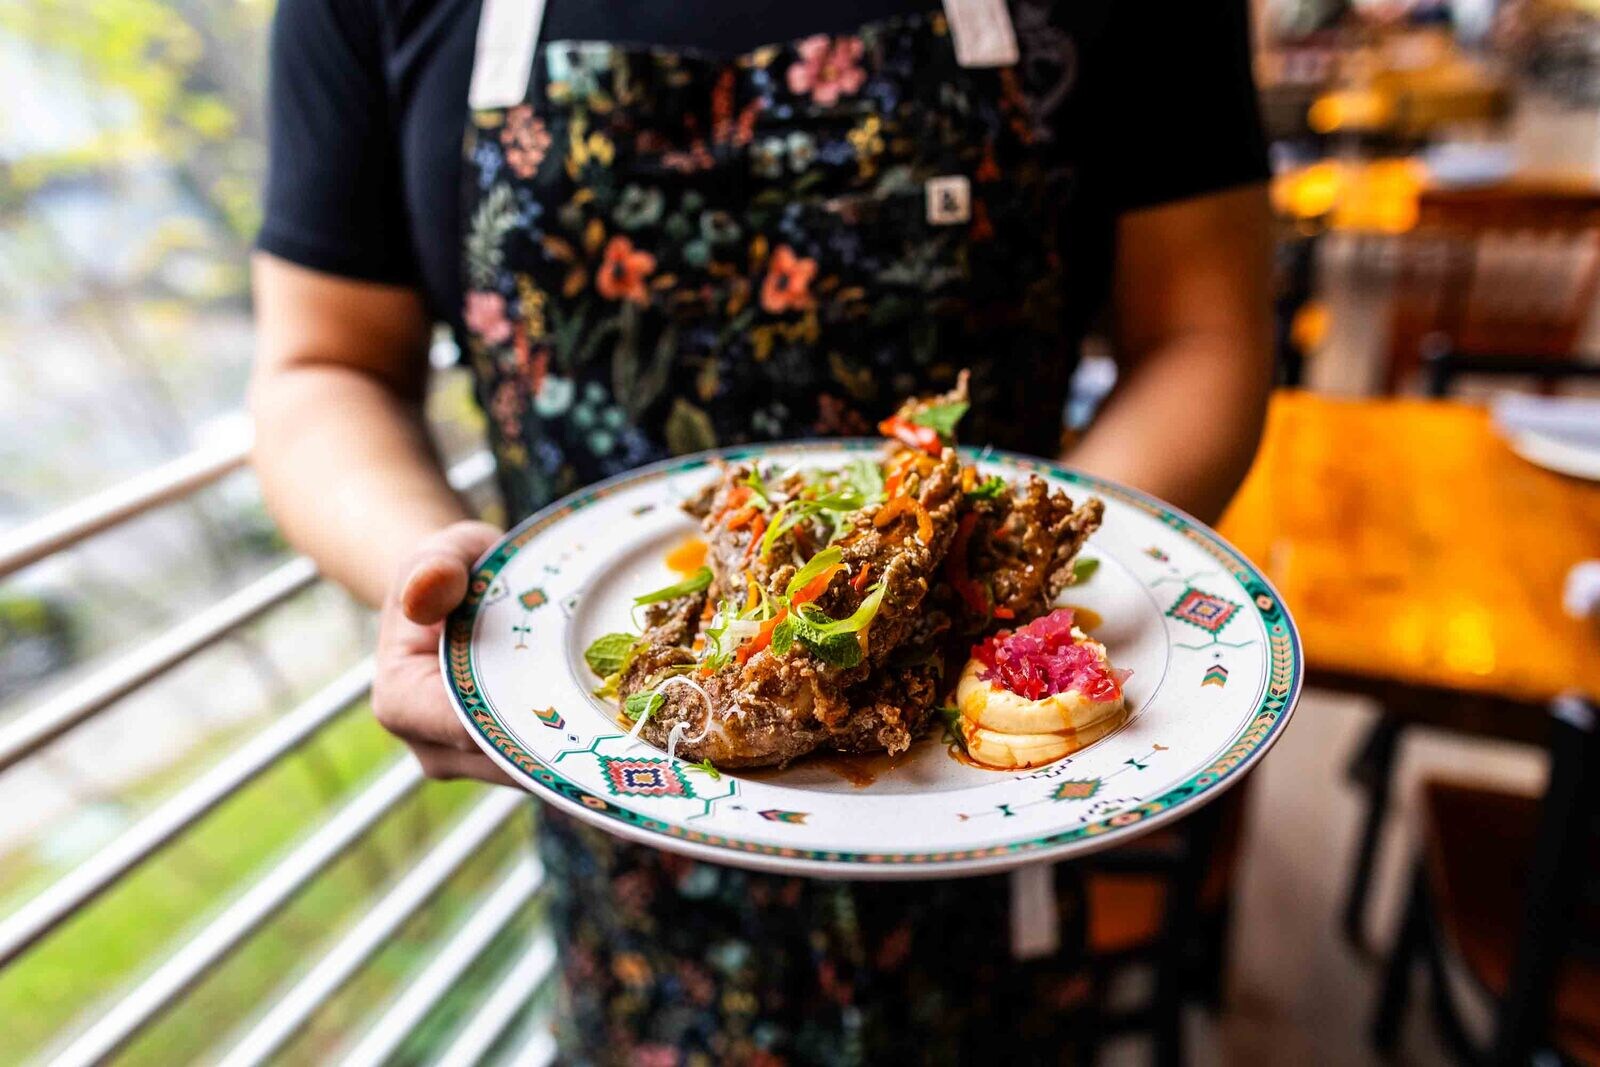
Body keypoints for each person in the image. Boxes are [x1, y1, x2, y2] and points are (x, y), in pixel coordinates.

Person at [251, 0, 1273, 1061]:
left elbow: (1203, 329)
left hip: (986, 825)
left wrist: (1023, 588)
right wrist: (436, 574)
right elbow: (325, 364)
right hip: (620, 827)